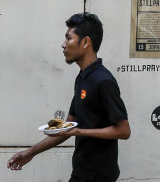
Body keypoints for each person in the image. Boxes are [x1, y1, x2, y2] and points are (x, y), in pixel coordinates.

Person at [7, 12, 130, 182]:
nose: (63, 45)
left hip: (98, 176)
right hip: (82, 171)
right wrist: (30, 152)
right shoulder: (82, 78)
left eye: (68, 39)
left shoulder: (103, 80)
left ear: (86, 42)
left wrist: (79, 131)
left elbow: (123, 131)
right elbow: (67, 128)